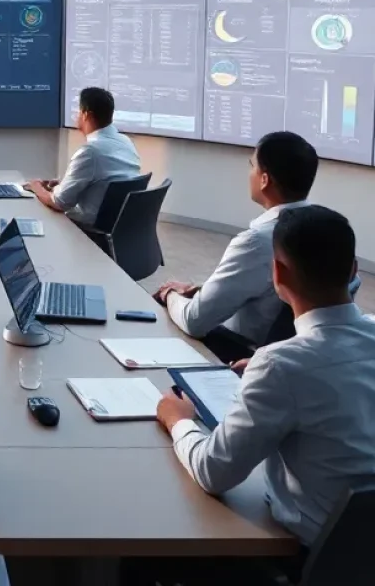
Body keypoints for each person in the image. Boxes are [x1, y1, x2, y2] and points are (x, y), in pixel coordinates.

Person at [157, 205, 375, 548]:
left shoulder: (281, 365)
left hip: (316, 556)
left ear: (277, 275)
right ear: (353, 270)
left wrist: (178, 420)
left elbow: (213, 473)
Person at [155, 130, 318, 362]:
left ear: (264, 180)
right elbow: (266, 287)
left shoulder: (257, 242)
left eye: (252, 165)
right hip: (295, 355)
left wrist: (169, 293)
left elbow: (195, 321)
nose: (249, 173)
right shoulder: (326, 229)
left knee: (166, 318)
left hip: (242, 353)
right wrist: (200, 289)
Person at [25, 86, 140, 225]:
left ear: (86, 115)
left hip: (88, 226)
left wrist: (36, 186)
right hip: (117, 223)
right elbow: (105, 181)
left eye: (77, 110)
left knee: (40, 209)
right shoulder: (126, 141)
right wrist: (64, 185)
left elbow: (59, 203)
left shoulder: (90, 152)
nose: (76, 115)